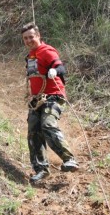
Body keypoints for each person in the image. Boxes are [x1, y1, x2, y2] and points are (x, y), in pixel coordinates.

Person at [21, 22, 79, 184]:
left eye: (31, 37)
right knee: (33, 131)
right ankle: (41, 169)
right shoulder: (30, 56)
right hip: (36, 100)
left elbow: (60, 68)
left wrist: (55, 70)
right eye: (25, 38)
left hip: (53, 96)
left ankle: (69, 159)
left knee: (47, 124)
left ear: (38, 36)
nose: (29, 40)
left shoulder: (47, 51)